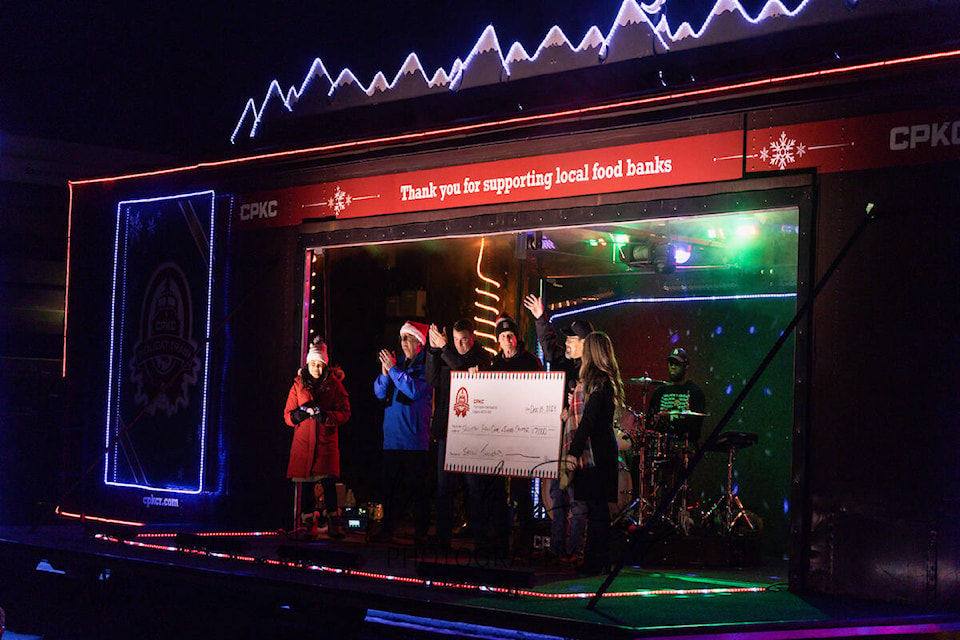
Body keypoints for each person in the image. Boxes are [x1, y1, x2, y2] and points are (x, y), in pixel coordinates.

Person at [523, 294, 593, 561]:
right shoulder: (563, 363)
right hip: (560, 439)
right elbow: (550, 348)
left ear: (585, 344)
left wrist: (574, 409)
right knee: (557, 495)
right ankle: (556, 550)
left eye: (572, 340)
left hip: (581, 444)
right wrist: (541, 318)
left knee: (578, 501)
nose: (566, 343)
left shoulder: (593, 370)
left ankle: (574, 550)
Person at [560, 331, 624, 575]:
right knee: (597, 509)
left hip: (597, 452)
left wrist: (573, 453)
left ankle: (595, 561)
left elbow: (588, 421)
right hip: (601, 450)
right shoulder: (602, 381)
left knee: (597, 510)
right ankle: (598, 560)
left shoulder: (598, 383)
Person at [425, 319, 492, 549]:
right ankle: (443, 538)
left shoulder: (481, 357)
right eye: (456, 340)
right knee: (445, 487)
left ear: (472, 337)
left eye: (464, 339)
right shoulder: (448, 354)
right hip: (447, 429)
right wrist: (434, 350)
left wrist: (444, 349)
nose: (461, 345)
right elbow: (432, 379)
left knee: (474, 486)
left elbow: (463, 373)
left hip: (472, 431)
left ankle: (480, 538)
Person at [372, 320, 434, 543]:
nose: (404, 343)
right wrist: (385, 374)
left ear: (420, 342)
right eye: (402, 339)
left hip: (414, 441)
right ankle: (387, 529)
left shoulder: (427, 366)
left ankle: (421, 533)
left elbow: (415, 390)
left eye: (408, 338)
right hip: (392, 440)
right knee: (388, 488)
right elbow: (379, 393)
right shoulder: (397, 365)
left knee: (417, 489)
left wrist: (394, 371)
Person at [284, 338, 351, 540]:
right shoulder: (298, 386)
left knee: (328, 484)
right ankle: (307, 524)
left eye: (320, 365)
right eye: (313, 364)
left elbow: (345, 412)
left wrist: (326, 417)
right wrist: (298, 416)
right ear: (307, 364)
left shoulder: (335, 386)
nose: (316, 369)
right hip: (304, 445)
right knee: (306, 487)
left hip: (325, 444)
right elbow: (287, 415)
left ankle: (332, 523)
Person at [488, 313, 543, 556]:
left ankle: (524, 543)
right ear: (498, 340)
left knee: (522, 492)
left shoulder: (531, 361)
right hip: (499, 440)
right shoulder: (493, 364)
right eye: (503, 336)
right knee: (498, 493)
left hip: (524, 438)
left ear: (516, 337)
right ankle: (499, 541)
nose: (508, 339)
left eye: (510, 335)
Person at [645, 346, 706, 532]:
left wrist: (672, 421)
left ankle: (680, 515)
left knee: (678, 463)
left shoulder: (694, 392)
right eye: (670, 363)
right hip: (662, 444)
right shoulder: (660, 391)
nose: (672, 367)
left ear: (686, 367)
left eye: (677, 364)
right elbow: (649, 423)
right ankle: (654, 514)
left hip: (683, 444)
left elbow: (695, 431)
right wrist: (655, 422)